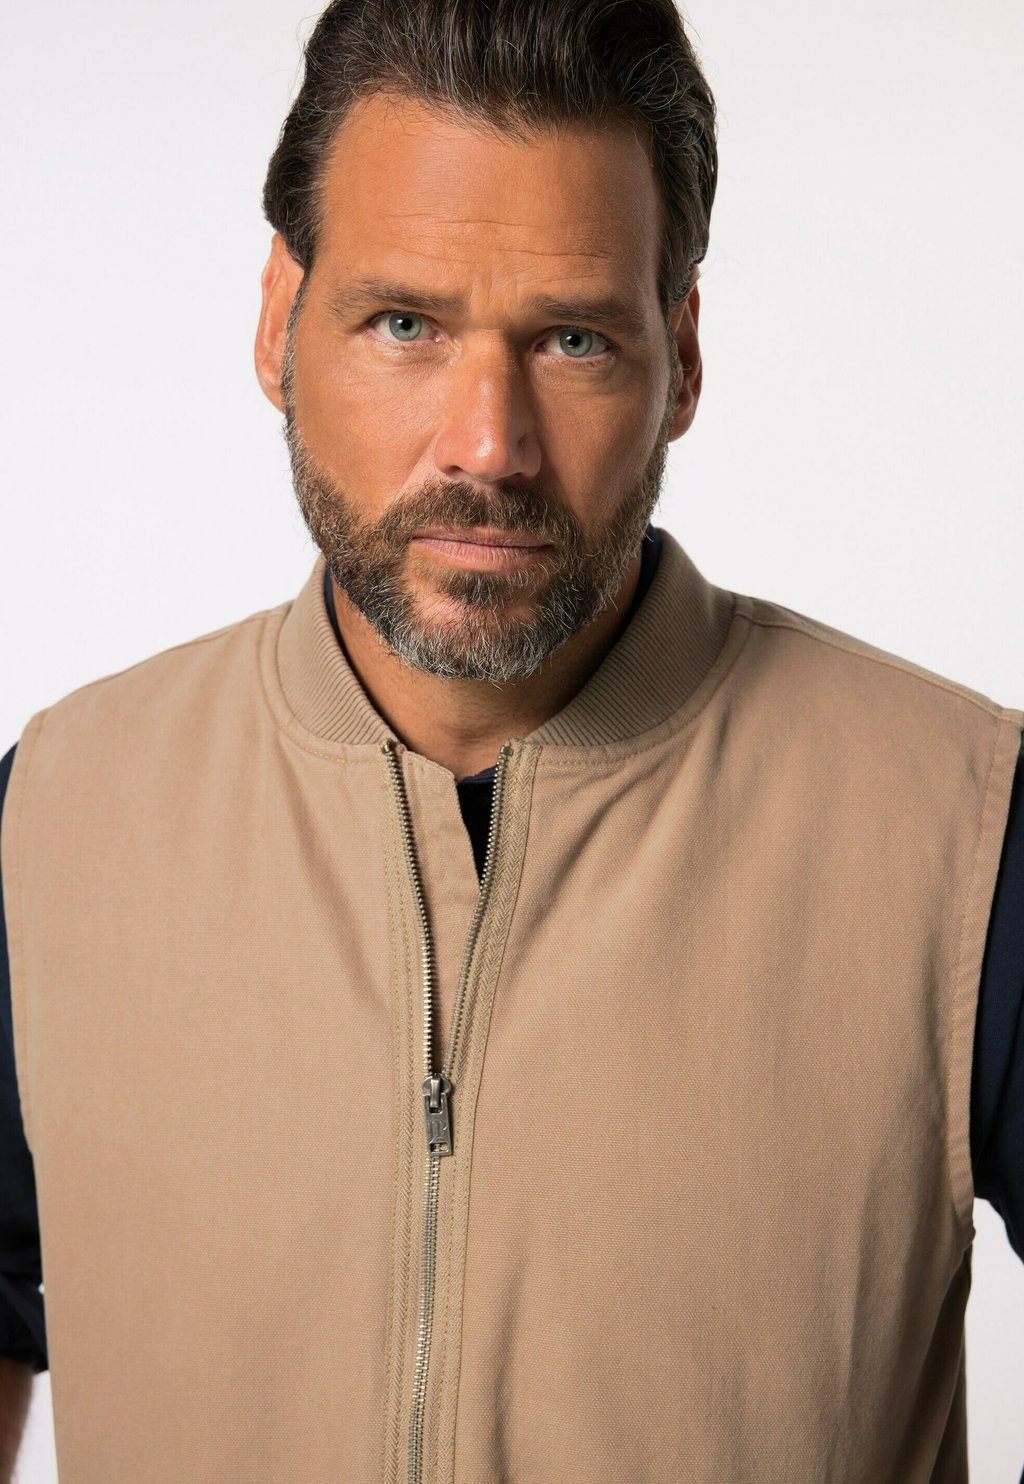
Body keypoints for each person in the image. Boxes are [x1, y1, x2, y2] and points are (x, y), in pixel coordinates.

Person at [0, 0, 1021, 1478]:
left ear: (680, 356)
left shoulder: (963, 833)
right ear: (281, 322)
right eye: (405, 324)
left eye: (573, 339)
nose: (490, 442)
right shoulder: (56, 818)